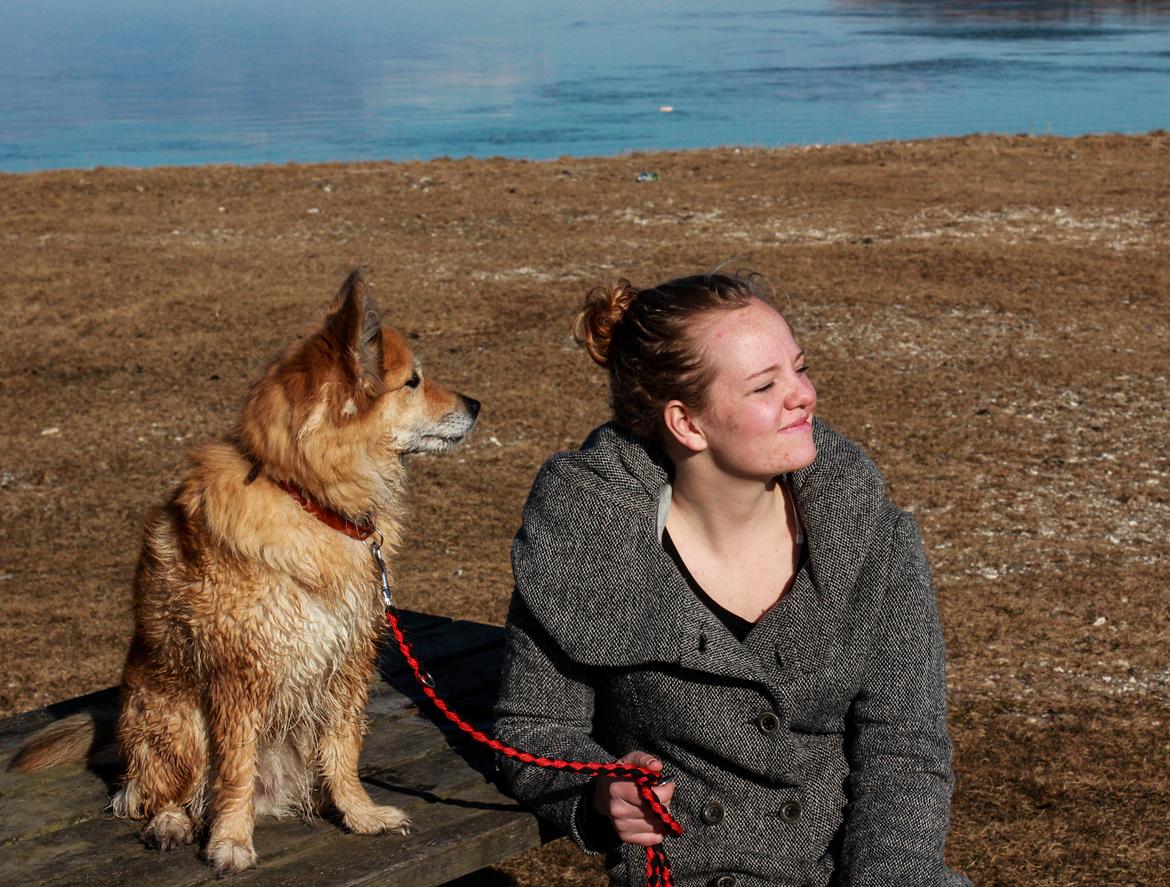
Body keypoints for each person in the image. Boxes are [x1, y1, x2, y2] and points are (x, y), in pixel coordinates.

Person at [493, 272, 971, 887]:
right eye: (765, 385)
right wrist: (596, 791)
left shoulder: (870, 532)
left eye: (799, 368)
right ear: (687, 423)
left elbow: (904, 747)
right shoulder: (587, 544)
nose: (803, 395)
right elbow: (534, 730)